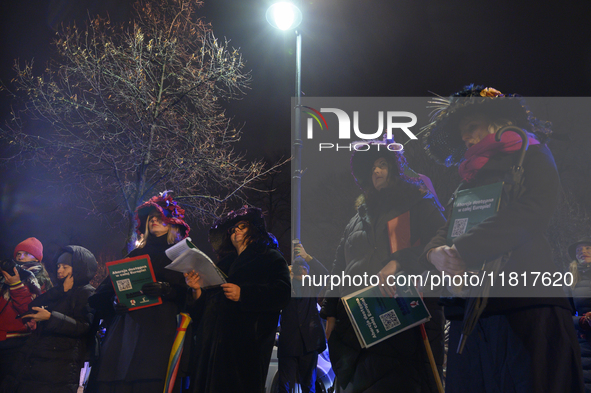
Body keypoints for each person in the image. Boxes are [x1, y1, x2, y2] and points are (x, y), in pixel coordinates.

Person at [420, 84, 584, 392]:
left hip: (525, 307)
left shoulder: (532, 152)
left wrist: (463, 250)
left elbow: (534, 208)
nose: (466, 137)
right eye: (462, 133)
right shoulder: (468, 179)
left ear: (497, 122)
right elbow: (450, 227)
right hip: (471, 315)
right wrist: (435, 253)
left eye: (472, 127)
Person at [320, 137, 446, 393]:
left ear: (396, 168)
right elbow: (340, 265)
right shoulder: (358, 218)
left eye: (382, 164)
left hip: (404, 323)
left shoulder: (418, 203)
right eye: (371, 167)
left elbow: (442, 240)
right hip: (357, 324)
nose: (376, 171)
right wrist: (330, 310)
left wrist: (399, 261)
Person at [89, 191, 192, 393]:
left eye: (159, 217)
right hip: (125, 335)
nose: (153, 221)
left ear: (172, 222)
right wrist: (114, 302)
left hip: (160, 336)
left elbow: (196, 297)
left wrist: (169, 291)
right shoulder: (134, 255)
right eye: (150, 218)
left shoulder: (183, 255)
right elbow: (104, 292)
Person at [185, 206, 291, 393]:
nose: (236, 231)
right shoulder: (223, 264)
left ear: (255, 228)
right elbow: (204, 308)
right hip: (208, 352)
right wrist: (196, 292)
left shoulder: (270, 257)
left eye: (242, 226)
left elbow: (282, 293)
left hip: (243, 353)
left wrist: (244, 294)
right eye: (233, 229)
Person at [1, 245, 97, 393]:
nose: (59, 270)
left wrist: (51, 317)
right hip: (40, 358)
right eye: (58, 266)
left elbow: (85, 327)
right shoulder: (59, 291)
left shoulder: (87, 293)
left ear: (79, 268)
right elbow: (33, 307)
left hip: (62, 364)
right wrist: (61, 291)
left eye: (65, 267)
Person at [276, 243, 328, 393]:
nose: (301, 271)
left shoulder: (311, 286)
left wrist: (307, 257)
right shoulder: (286, 286)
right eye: (297, 268)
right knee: (284, 386)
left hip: (308, 344)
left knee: (308, 386)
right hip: (289, 343)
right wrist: (285, 273)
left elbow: (325, 274)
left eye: (304, 268)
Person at [0, 258, 41, 385]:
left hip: (17, 341)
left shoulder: (36, 279)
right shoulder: (3, 279)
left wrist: (16, 285)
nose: (20, 257)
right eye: (18, 253)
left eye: (25, 254)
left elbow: (29, 310)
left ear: (36, 258)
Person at [569, 238, 591, 392]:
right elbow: (562, 314)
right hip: (584, 343)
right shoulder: (570, 281)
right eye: (579, 250)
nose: (583, 252)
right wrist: (581, 321)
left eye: (588, 248)